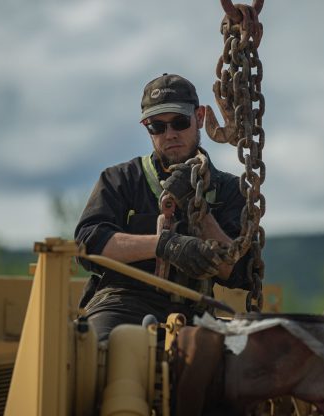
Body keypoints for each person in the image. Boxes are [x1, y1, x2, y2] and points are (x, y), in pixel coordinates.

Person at [74, 73, 252, 341]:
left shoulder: (229, 189)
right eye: (157, 126)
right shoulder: (121, 180)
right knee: (97, 349)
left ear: (199, 117)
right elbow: (88, 244)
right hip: (121, 304)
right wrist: (164, 245)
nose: (170, 134)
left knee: (240, 360)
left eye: (180, 122)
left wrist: (197, 207)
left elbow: (237, 271)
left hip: (196, 313)